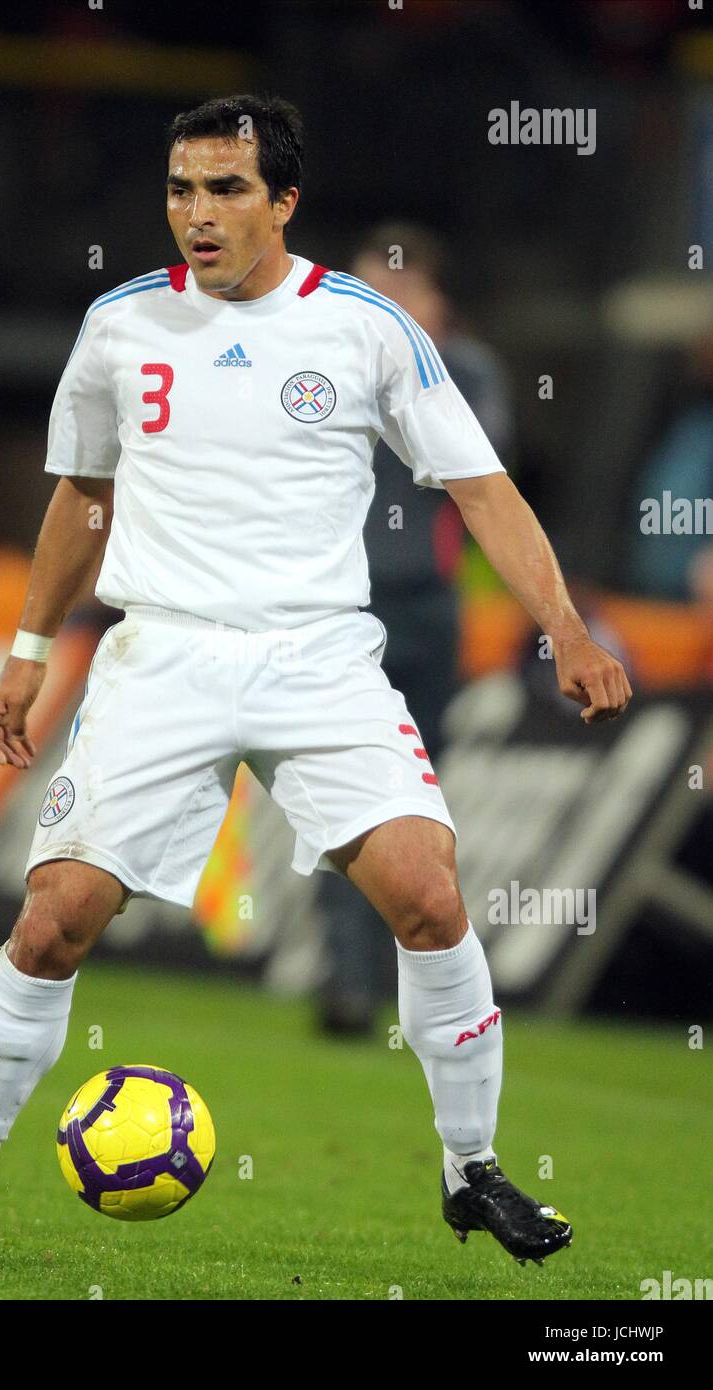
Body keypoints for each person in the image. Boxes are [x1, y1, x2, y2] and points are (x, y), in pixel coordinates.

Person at [0, 94, 630, 1265]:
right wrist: (28, 654)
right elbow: (82, 496)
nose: (197, 214)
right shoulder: (119, 325)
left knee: (428, 894)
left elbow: (481, 487)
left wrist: (567, 629)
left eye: (226, 189)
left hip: (317, 654)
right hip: (159, 650)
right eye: (181, 189)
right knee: (54, 921)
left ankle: (472, 1170)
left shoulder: (367, 329)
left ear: (283, 201)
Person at [316, 223, 515, 1036]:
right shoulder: (321, 363)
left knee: (415, 800)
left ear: (436, 302)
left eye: (402, 294)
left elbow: (488, 466)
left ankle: (421, 985)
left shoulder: (461, 371)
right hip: (335, 609)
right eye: (372, 292)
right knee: (336, 795)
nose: (386, 309)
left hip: (425, 612)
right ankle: (348, 985)